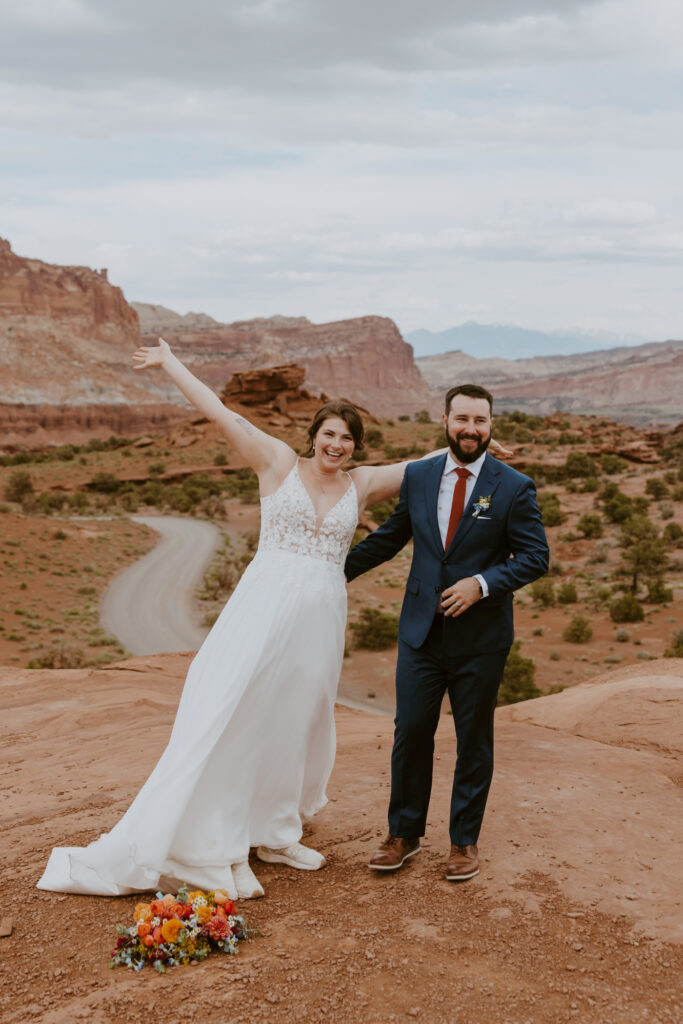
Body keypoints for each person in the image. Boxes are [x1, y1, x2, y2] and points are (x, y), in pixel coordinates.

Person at [39, 341, 508, 901]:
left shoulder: (360, 484)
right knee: (238, 710)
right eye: (329, 434)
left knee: (299, 719)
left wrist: (475, 447)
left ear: (356, 446)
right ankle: (222, 840)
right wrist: (169, 363)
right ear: (314, 435)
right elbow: (221, 411)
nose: (337, 445)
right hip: (262, 610)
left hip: (321, 620)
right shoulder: (277, 462)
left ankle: (277, 832)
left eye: (347, 438)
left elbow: (434, 465)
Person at [344, 384, 549, 883]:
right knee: (411, 732)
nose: (471, 429)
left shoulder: (513, 486)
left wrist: (482, 584)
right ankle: (404, 835)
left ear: (491, 424)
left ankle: (464, 842)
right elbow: (392, 538)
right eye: (462, 419)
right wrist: (329, 569)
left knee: (473, 740)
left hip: (481, 639)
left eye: (480, 421)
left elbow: (535, 558)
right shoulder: (419, 476)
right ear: (445, 421)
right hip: (421, 633)